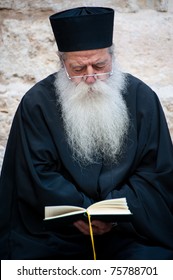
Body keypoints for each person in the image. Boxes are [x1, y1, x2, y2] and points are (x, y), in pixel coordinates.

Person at [0, 6, 173, 260]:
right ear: (63, 64)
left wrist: (114, 216)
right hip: (55, 233)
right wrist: (82, 211)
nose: (91, 77)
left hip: (131, 231)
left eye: (99, 65)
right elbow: (34, 173)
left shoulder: (142, 99)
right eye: (79, 69)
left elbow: (155, 173)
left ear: (112, 57)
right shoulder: (37, 103)